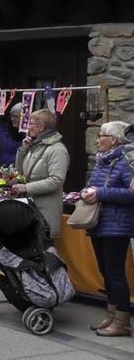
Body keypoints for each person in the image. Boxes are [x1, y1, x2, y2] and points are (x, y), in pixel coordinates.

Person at [81, 121, 134, 337]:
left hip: (117, 226)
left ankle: (122, 321)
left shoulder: (127, 162)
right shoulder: (102, 161)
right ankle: (111, 315)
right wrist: (85, 192)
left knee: (115, 273)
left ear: (114, 140)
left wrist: (101, 194)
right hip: (100, 223)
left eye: (101, 135)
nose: (96, 140)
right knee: (105, 271)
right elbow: (94, 184)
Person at [12, 109, 69, 239]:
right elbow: (20, 171)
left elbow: (56, 180)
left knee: (44, 250)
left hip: (46, 210)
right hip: (31, 208)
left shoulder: (57, 149)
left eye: (30, 123)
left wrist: (27, 187)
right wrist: (23, 150)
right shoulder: (34, 146)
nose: (27, 127)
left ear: (41, 127)